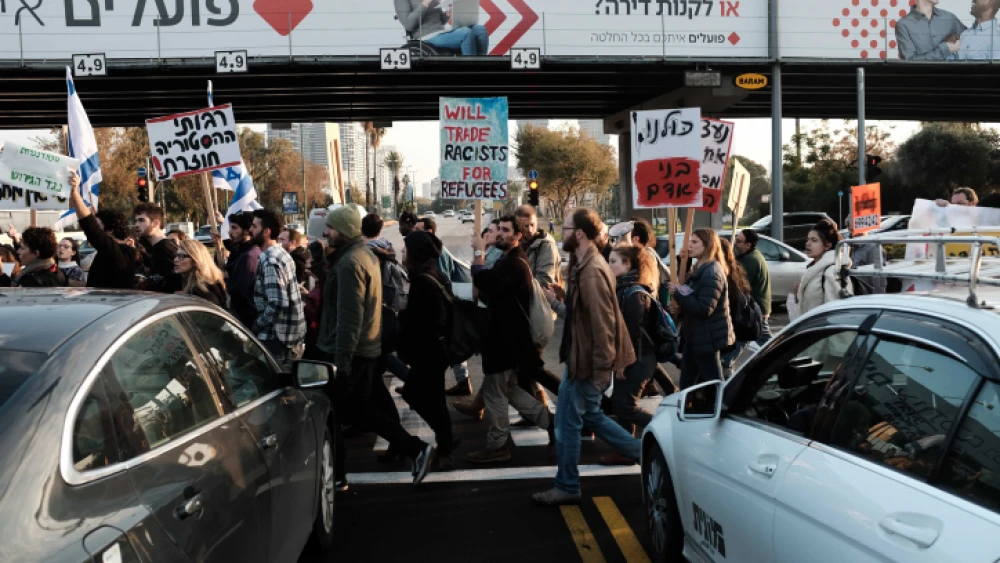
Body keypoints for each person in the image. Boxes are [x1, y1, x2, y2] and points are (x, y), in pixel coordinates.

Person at [319, 204, 435, 485]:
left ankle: (339, 477)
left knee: (336, 415)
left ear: (345, 230)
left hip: (353, 351)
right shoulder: (362, 255)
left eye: (331, 228)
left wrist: (341, 362)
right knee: (364, 410)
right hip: (368, 347)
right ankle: (414, 449)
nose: (326, 233)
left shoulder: (350, 263)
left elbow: (348, 317)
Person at [532, 208, 638, 506]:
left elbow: (603, 325)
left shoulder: (591, 271)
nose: (561, 234)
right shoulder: (586, 265)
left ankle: (567, 485)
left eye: (565, 229)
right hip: (583, 359)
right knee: (591, 416)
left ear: (579, 233)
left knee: (566, 425)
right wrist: (559, 301)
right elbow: (583, 318)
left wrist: (602, 369)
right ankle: (645, 453)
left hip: (589, 363)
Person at [466, 215, 554, 464]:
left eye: (506, 230)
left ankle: (497, 446)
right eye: (499, 230)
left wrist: (478, 251)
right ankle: (552, 424)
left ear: (518, 236)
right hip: (505, 341)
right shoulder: (509, 260)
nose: (500, 234)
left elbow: (484, 281)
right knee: (511, 391)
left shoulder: (514, 263)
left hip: (505, 343)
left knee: (495, 394)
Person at [396, 230, 457, 471]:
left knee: (422, 397)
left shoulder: (423, 281)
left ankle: (446, 443)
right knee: (429, 398)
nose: (403, 252)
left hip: (429, 352)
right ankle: (446, 441)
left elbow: (428, 321)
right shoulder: (431, 273)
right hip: (434, 351)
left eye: (406, 248)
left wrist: (402, 320)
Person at [599, 245, 658, 466]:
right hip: (634, 357)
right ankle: (626, 450)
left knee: (625, 406)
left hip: (639, 358)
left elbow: (633, 335)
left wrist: (624, 363)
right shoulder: (622, 289)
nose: (609, 265)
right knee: (621, 403)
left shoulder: (633, 294)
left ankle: (662, 428)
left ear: (628, 264)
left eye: (613, 261)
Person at [414, 215, 472, 395]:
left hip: (444, 309)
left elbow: (442, 280)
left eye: (418, 229)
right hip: (445, 308)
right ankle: (461, 381)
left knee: (445, 347)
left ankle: (424, 386)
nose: (414, 232)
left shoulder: (437, 252)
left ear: (429, 231)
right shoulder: (432, 249)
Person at [669, 228, 733, 390]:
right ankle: (689, 410)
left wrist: (678, 293)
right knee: (688, 383)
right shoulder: (700, 267)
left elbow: (704, 308)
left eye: (694, 242)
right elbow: (693, 294)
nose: (689, 245)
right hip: (696, 336)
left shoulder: (712, 272)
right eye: (690, 241)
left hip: (707, 337)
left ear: (708, 246)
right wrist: (679, 291)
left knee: (714, 383)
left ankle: (722, 409)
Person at [250, 209, 306, 366]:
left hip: (277, 339)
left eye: (254, 226)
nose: (251, 230)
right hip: (286, 337)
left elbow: (278, 303)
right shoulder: (280, 253)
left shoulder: (270, 261)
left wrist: (256, 325)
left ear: (266, 231)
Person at [67, 172, 141, 289]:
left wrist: (75, 193)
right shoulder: (121, 251)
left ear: (110, 229)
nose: (95, 229)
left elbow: (89, 225)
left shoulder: (115, 252)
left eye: (98, 225)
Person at [794, 219, 853, 315]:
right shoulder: (816, 269)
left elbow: (835, 314)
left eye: (814, 240)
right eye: (807, 239)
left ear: (827, 245)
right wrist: (800, 293)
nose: (808, 244)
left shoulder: (831, 272)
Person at [395, 0, 490, 55]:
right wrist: (424, 3)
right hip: (425, 36)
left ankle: (481, 69)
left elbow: (439, 20)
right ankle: (471, 75)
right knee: (466, 33)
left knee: (480, 30)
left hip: (440, 32)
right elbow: (408, 24)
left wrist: (447, 14)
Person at [718, 239, 754, 378]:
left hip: (726, 330)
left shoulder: (717, 272)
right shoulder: (732, 269)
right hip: (730, 330)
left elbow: (702, 303)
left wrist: (681, 292)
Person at [219, 210, 261, 328]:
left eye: (234, 228)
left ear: (247, 231)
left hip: (247, 320)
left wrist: (224, 278)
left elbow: (239, 292)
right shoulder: (242, 252)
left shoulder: (250, 256)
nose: (230, 232)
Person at [734, 229, 772, 344]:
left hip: (755, 309)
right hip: (756, 307)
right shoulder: (752, 255)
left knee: (766, 342)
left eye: (739, 241)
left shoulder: (750, 260)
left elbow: (740, 285)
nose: (735, 243)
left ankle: (784, 358)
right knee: (743, 339)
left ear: (748, 245)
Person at [896, 0, 965, 60]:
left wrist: (957, 39)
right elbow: (909, 62)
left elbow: (972, 39)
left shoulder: (949, 17)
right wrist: (945, 49)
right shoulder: (903, 25)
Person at [134, 202, 180, 292]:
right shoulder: (152, 247)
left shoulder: (165, 247)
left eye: (141, 220)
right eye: (135, 221)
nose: (136, 224)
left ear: (155, 223)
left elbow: (177, 282)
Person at [173, 239, 228, 307]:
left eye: (181, 256)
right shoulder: (190, 281)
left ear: (196, 259)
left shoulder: (201, 288)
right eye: (176, 255)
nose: (175, 260)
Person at [516, 205, 561, 287]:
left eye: (532, 225)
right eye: (525, 226)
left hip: (541, 297)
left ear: (536, 221)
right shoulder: (518, 242)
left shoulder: (546, 244)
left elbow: (545, 281)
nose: (530, 230)